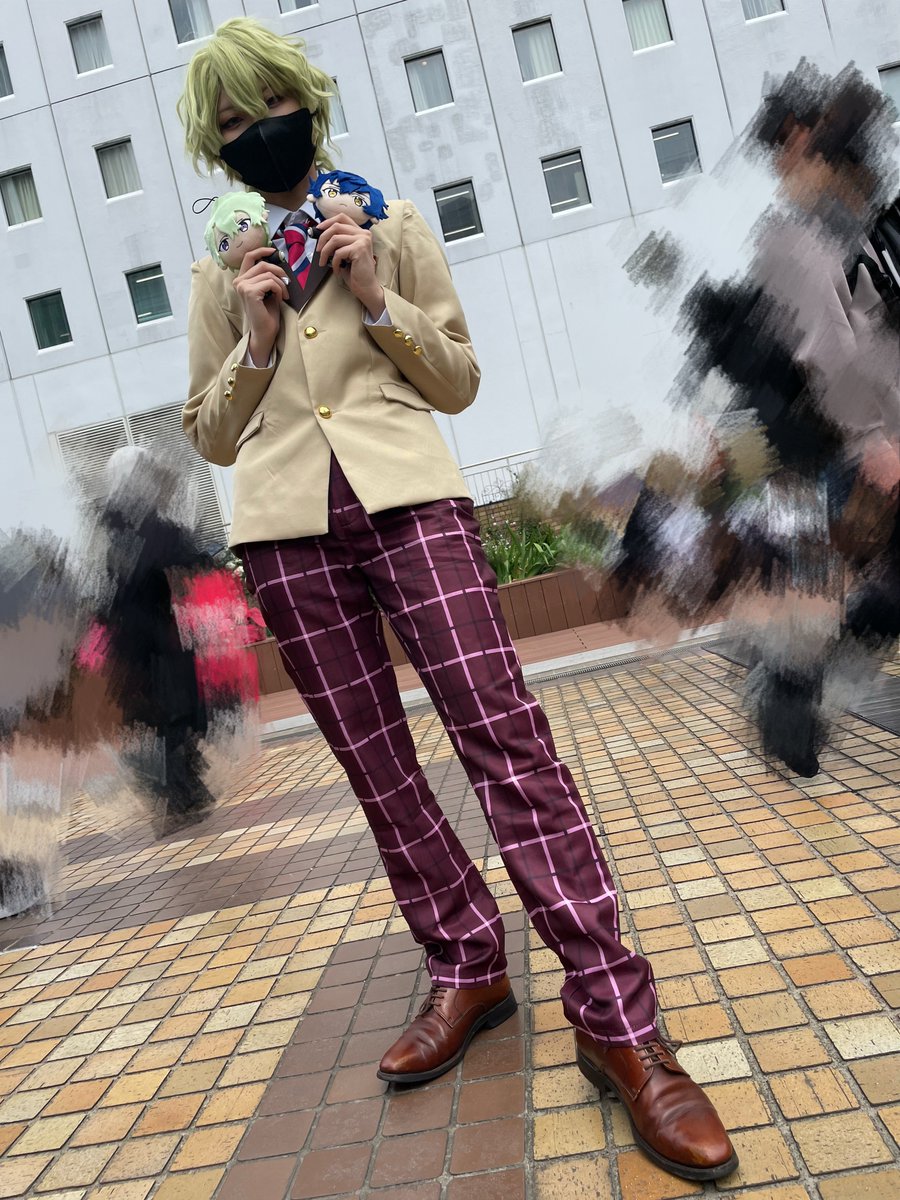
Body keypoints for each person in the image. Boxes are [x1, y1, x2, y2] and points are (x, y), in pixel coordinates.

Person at [178, 18, 736, 1182]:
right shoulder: (220, 276)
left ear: (305, 101)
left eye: (268, 104)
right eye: (230, 119)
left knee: (508, 744)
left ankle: (618, 1022)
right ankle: (468, 961)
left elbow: (462, 379)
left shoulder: (388, 224)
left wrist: (376, 296)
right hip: (286, 534)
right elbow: (212, 434)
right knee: (379, 774)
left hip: (412, 505)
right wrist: (256, 335)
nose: (255, 129)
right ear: (211, 141)